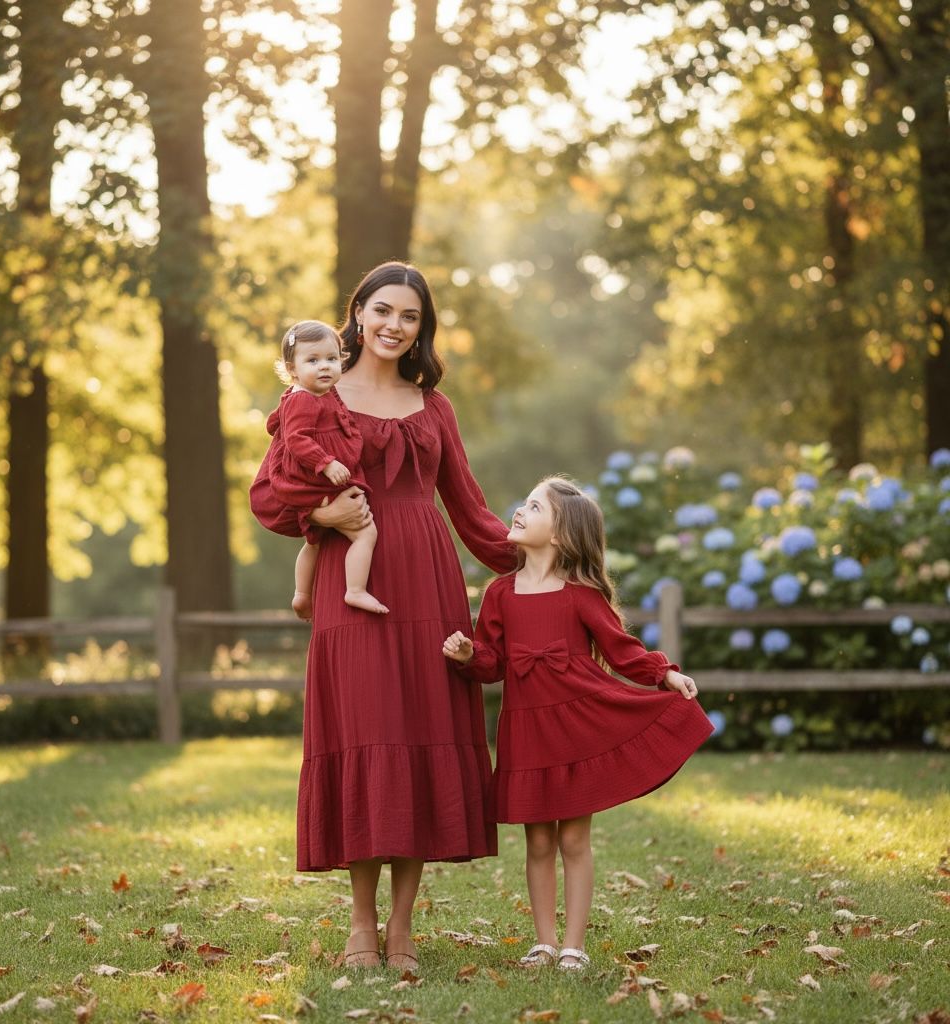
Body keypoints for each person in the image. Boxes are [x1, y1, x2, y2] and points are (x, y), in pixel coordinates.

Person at [249, 262, 517, 972]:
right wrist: (318, 512)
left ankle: (402, 929)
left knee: (420, 732)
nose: (395, 326)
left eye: (411, 317)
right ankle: (360, 925)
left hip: (427, 581)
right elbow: (267, 493)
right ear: (358, 313)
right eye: (383, 311)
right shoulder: (313, 395)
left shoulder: (434, 407)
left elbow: (470, 507)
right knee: (367, 734)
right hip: (351, 580)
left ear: (421, 328)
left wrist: (539, 563)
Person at [442, 476, 714, 972]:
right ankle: (543, 943)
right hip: (525, 730)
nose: (519, 511)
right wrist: (467, 654)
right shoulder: (501, 593)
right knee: (538, 841)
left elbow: (621, 650)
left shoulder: (581, 594)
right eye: (522, 503)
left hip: (577, 726)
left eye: (533, 506)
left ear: (561, 536)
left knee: (573, 840)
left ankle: (573, 946)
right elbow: (492, 664)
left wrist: (665, 673)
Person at [266, 319, 387, 618]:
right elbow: (296, 439)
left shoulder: (317, 394)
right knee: (365, 533)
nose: (324, 367)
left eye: (331, 359)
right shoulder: (303, 400)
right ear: (292, 369)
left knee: (314, 540)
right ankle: (355, 590)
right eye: (313, 360)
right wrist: (326, 463)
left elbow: (279, 423)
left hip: (317, 480)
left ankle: (301, 594)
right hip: (317, 480)